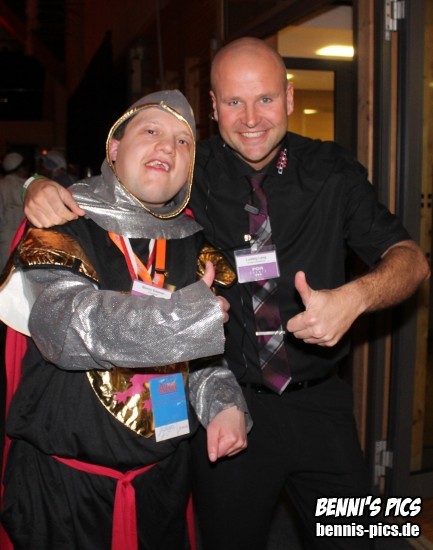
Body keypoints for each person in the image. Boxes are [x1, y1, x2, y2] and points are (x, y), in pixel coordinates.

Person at [21, 38, 430, 550]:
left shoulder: (333, 169)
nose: (251, 118)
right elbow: (117, 188)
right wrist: (34, 184)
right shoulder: (189, 168)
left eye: (265, 99)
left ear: (289, 97)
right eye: (234, 101)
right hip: (227, 404)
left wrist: (357, 297)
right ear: (213, 108)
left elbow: (412, 260)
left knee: (360, 535)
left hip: (321, 404)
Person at [0, 90, 250, 550]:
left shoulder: (193, 243)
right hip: (63, 495)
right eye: (151, 131)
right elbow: (65, 329)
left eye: (183, 141)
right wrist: (185, 318)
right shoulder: (62, 221)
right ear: (114, 147)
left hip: (161, 487)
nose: (167, 146)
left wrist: (223, 404)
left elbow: (203, 362)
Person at [0, 152, 29, 270]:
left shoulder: (1, 185)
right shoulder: (29, 186)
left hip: (5, 240)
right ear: (21, 168)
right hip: (26, 239)